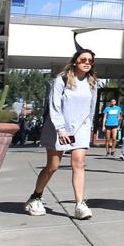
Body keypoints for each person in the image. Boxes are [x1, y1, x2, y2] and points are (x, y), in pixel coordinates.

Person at [25, 50, 97, 220]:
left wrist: (90, 127)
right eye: (83, 59)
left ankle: (80, 204)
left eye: (90, 61)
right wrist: (61, 128)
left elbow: (91, 108)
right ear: (75, 61)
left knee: (79, 163)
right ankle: (35, 197)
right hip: (60, 127)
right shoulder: (62, 80)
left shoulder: (93, 83)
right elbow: (55, 106)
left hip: (81, 128)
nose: (86, 63)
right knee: (53, 166)